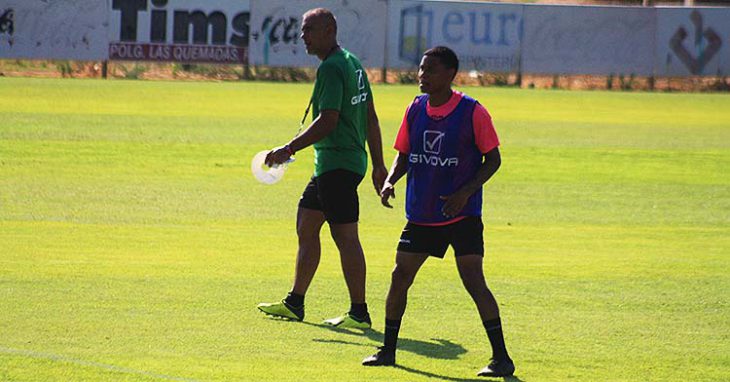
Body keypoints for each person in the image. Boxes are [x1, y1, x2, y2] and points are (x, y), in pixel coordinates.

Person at [361, 46, 515, 377]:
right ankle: (388, 350)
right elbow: (404, 154)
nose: (422, 75)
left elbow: (494, 160)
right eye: (421, 69)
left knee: (474, 281)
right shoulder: (415, 109)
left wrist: (464, 193)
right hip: (422, 213)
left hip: (462, 214)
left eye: (430, 70)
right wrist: (389, 181)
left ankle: (501, 357)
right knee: (399, 276)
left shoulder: (473, 111)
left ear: (449, 75)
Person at [257, 8, 388, 330]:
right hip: (341, 163)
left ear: (330, 30)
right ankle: (295, 302)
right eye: (303, 30)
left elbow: (327, 120)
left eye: (310, 30)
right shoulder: (353, 62)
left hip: (338, 164)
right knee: (307, 224)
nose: (304, 36)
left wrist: (288, 149)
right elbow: (370, 116)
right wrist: (378, 165)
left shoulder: (332, 68)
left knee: (345, 237)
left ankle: (359, 313)